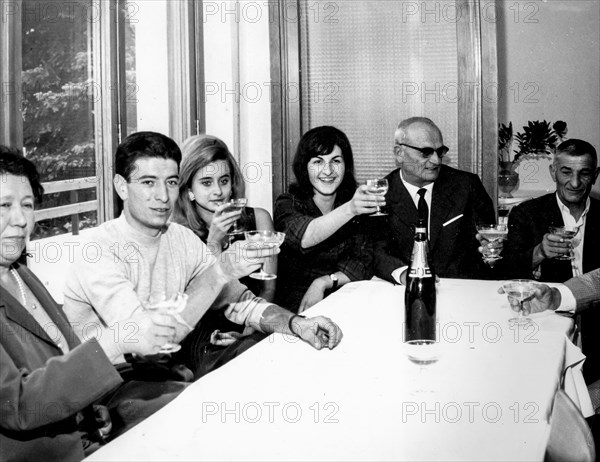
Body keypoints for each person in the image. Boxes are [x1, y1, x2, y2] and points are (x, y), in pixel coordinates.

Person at [62, 132, 343, 380]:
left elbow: (244, 303)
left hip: (162, 376)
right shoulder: (97, 248)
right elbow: (146, 340)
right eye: (149, 182)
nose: (162, 196)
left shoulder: (181, 239)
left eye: (170, 182)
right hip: (103, 388)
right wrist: (221, 269)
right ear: (121, 186)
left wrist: (297, 324)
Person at [0, 148, 186, 461]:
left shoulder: (21, 275)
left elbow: (64, 354)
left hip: (84, 435)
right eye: (4, 205)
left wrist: (92, 405)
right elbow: (17, 406)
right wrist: (112, 342)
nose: (20, 220)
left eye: (27, 205)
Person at [503, 138, 600, 383]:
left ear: (596, 175)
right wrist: (539, 253)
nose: (575, 183)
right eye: (566, 172)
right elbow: (506, 271)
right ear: (553, 171)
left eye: (584, 173)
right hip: (545, 325)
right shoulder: (527, 214)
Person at [373, 117, 495, 283]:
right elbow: (377, 252)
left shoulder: (467, 186)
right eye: (426, 152)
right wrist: (404, 275)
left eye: (440, 152)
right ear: (399, 153)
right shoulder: (381, 195)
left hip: (461, 290)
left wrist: (492, 250)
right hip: (407, 291)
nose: (436, 161)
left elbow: (490, 243)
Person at [274, 126, 379, 313]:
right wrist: (351, 209)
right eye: (318, 162)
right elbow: (304, 237)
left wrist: (323, 282)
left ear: (346, 166)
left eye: (336, 161)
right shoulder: (288, 202)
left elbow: (362, 264)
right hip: (293, 307)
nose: (328, 170)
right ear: (304, 167)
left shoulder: (351, 203)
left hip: (342, 300)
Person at [172, 134, 276, 302]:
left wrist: (254, 327)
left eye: (224, 180)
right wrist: (214, 242)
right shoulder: (178, 235)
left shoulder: (258, 219)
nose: (218, 191)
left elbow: (269, 289)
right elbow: (200, 302)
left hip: (257, 320)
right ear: (189, 189)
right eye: (206, 183)